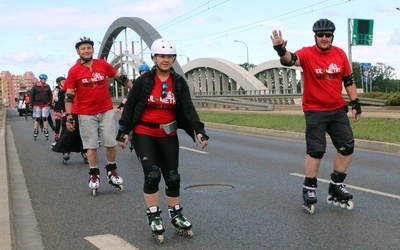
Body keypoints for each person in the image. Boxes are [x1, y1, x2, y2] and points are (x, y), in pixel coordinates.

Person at [116, 38, 209, 242]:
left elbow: (187, 108)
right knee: (153, 175)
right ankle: (154, 215)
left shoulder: (178, 82)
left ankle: (175, 214)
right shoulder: (144, 81)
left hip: (168, 134)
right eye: (161, 56)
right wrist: (123, 130)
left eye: (169, 56)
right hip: (144, 133)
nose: (165, 60)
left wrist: (199, 130)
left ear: (173, 59)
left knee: (173, 176)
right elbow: (130, 106)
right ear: (154, 58)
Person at [270, 18, 362, 214]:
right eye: (320, 35)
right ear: (315, 37)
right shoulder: (307, 53)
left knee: (347, 146)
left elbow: (348, 80)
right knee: (316, 150)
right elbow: (290, 60)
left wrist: (355, 103)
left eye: (328, 35)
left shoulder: (340, 54)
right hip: (315, 110)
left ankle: (336, 184)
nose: (324, 38)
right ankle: (309, 188)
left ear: (332, 36)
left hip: (337, 109)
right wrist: (280, 50)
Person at [64, 36, 134, 196]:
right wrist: (69, 116)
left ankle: (112, 170)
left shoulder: (102, 64)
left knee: (110, 142)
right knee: (91, 145)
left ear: (92, 49)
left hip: (106, 111)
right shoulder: (74, 70)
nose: (86, 50)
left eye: (89, 47)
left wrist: (135, 88)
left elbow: (120, 77)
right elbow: (69, 95)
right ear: (78, 51)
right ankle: (94, 174)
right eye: (83, 48)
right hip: (86, 113)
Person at [30, 73, 53, 140]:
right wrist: (31, 104)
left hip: (45, 104)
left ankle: (46, 130)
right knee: (37, 118)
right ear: (40, 79)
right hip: (37, 104)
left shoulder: (47, 86)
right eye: (43, 79)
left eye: (45, 79)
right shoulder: (35, 86)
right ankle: (36, 130)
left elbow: (50, 95)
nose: (44, 81)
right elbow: (31, 95)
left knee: (45, 117)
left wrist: (50, 103)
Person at [51, 76, 66, 147]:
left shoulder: (66, 89)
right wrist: (62, 99)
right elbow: (55, 98)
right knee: (57, 125)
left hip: (65, 109)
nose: (64, 83)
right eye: (62, 82)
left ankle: (63, 139)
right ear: (59, 83)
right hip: (57, 109)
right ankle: (56, 138)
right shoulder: (57, 89)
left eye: (65, 81)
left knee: (64, 125)